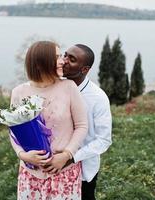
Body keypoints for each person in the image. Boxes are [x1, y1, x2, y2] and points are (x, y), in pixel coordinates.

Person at [9, 41, 88, 199]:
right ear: (40, 63)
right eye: (57, 57)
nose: (62, 61)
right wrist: (23, 155)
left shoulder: (69, 87)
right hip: (29, 175)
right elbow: (13, 132)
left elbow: (82, 126)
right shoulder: (18, 92)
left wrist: (66, 155)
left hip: (64, 173)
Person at [63, 44, 112, 200]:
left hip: (83, 172)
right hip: (55, 167)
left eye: (71, 59)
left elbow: (103, 140)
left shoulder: (98, 98)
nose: (64, 61)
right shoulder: (56, 87)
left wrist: (70, 157)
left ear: (84, 69)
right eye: (65, 55)